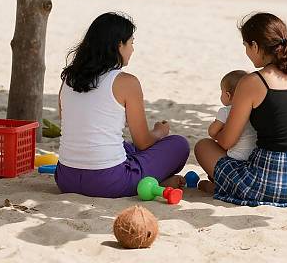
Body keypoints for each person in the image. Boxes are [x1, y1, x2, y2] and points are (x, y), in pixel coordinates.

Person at [194, 12, 287, 207]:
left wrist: (218, 129)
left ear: (255, 46)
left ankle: (221, 187)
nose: (247, 53)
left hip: (272, 182)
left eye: (246, 47)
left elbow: (225, 142)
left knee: (203, 146)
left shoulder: (253, 81)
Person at [55, 12, 189, 198]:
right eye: (131, 43)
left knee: (125, 146)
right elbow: (143, 143)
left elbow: (74, 125)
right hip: (109, 182)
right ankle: (151, 181)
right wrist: (160, 132)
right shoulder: (127, 82)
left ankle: (151, 179)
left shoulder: (69, 78)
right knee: (179, 145)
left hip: (65, 178)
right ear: (120, 45)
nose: (132, 49)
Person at [199, 70, 256, 193]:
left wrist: (218, 134)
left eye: (221, 92)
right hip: (254, 161)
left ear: (228, 95)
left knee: (203, 145)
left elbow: (212, 132)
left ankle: (216, 187)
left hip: (236, 161)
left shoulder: (225, 111)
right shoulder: (255, 110)